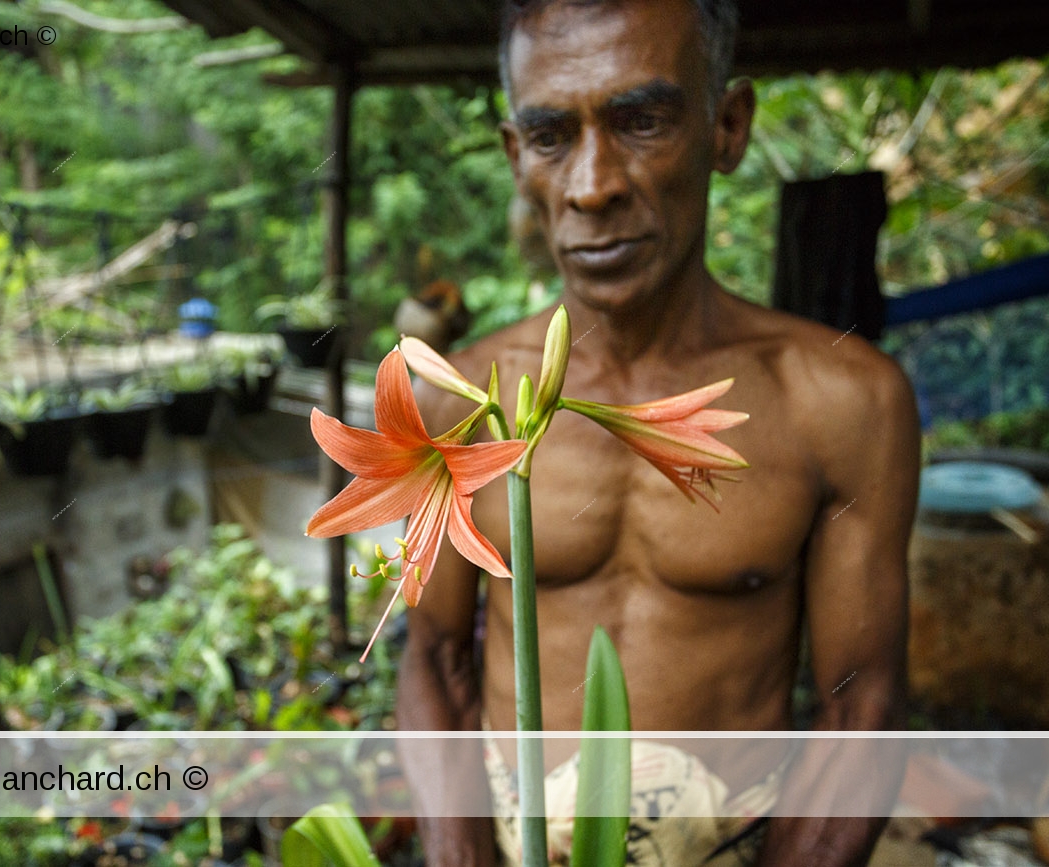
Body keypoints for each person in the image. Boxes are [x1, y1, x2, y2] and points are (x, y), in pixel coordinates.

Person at [394, 0, 922, 865]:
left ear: (728, 125)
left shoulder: (842, 402)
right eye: (551, 135)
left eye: (640, 122)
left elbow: (858, 707)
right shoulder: (462, 397)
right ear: (515, 154)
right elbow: (436, 660)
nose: (591, 184)